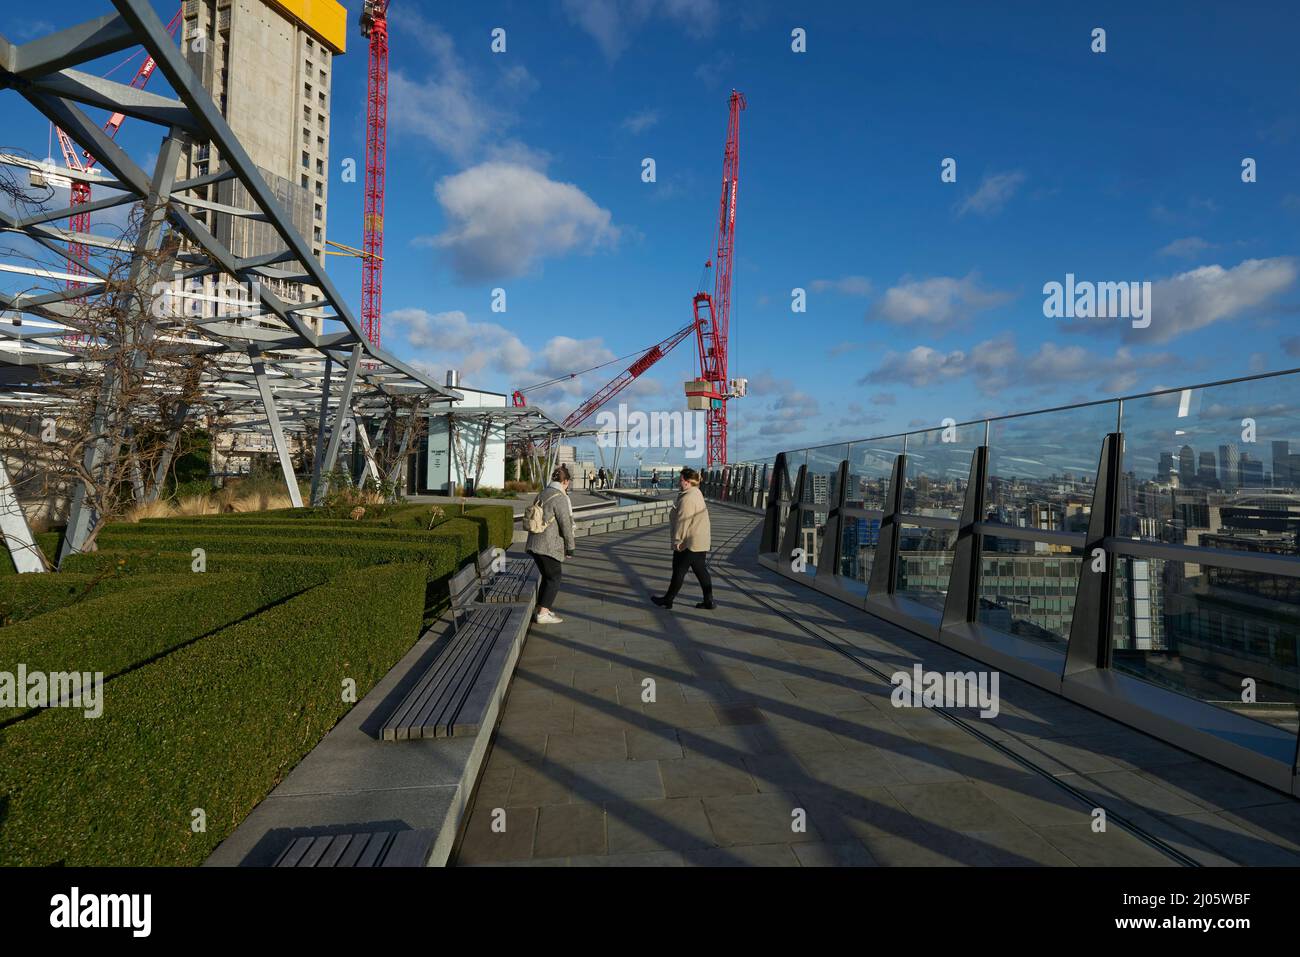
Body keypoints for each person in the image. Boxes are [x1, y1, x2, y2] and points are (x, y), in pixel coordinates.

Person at [651, 467, 715, 610]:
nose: (679, 482)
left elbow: (683, 521)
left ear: (687, 482)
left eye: (680, 480)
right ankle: (708, 600)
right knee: (701, 570)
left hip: (688, 542)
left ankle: (668, 600)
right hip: (700, 541)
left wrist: (678, 541)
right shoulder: (696, 492)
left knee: (679, 570)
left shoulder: (688, 498)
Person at [526, 464, 576, 624]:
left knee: (548, 577)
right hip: (547, 545)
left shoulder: (543, 493)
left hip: (534, 543)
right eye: (568, 482)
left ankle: (542, 609)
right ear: (565, 481)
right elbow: (566, 524)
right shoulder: (560, 497)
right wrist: (570, 547)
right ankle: (542, 614)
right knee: (555, 578)